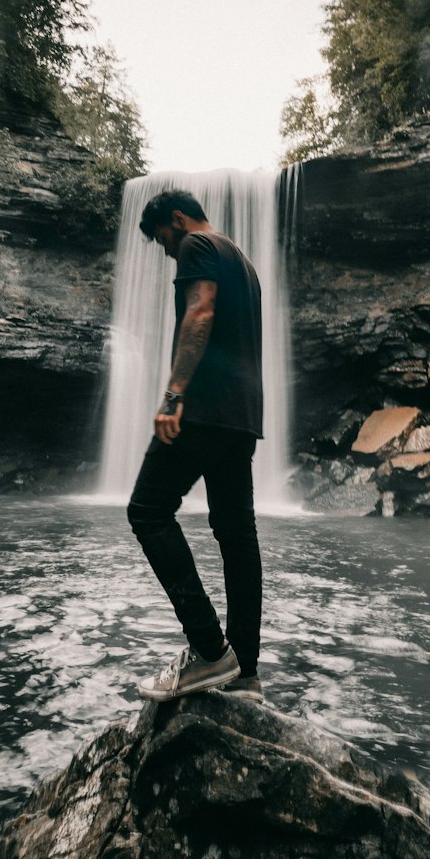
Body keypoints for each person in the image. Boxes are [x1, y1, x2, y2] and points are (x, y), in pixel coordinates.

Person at [127, 188, 264, 703]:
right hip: (242, 417)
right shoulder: (243, 260)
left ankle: (209, 652)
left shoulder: (197, 246)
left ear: (178, 220)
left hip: (204, 409)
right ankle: (245, 673)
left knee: (147, 511)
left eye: (164, 241)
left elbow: (200, 313)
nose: (167, 252)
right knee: (236, 536)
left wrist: (173, 394)